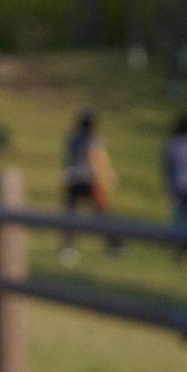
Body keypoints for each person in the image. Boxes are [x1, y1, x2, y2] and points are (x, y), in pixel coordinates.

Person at [60, 106, 120, 264]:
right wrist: (107, 176)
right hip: (91, 180)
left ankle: (69, 247)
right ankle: (113, 245)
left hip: (73, 179)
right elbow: (98, 158)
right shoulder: (94, 139)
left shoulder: (72, 138)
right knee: (102, 214)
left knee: (71, 216)